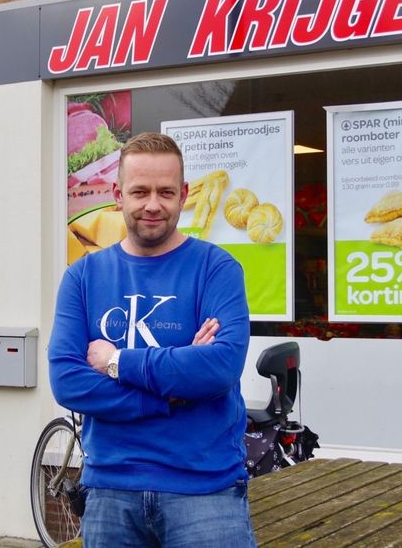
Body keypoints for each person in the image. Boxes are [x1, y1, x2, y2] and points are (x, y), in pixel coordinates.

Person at [48, 132, 255, 547]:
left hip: (205, 492)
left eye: (165, 192)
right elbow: (68, 381)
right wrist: (167, 393)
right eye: (140, 191)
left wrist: (116, 363)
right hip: (109, 490)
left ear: (184, 194)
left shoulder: (217, 269)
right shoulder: (83, 277)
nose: (153, 205)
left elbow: (218, 368)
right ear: (117, 194)